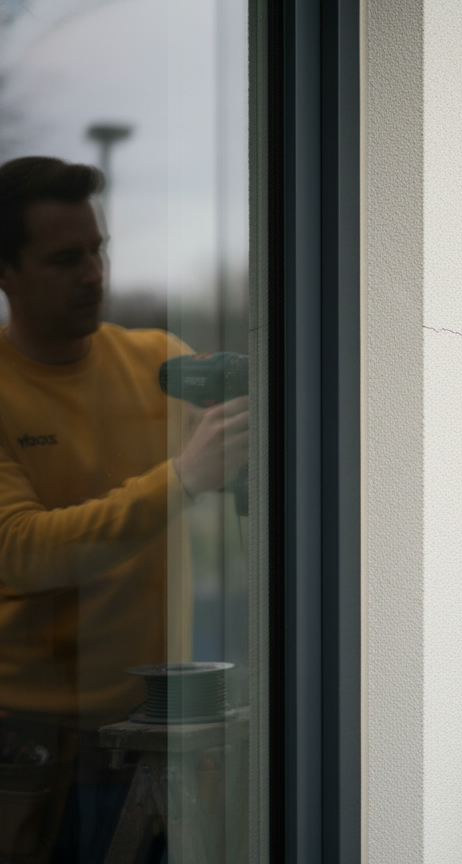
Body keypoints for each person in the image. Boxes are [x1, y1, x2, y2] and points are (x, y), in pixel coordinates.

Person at [0, 156, 248, 862]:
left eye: (98, 249)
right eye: (64, 258)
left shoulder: (159, 363)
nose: (93, 273)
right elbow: (22, 548)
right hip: (31, 745)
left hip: (159, 730)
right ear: (5, 273)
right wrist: (185, 479)